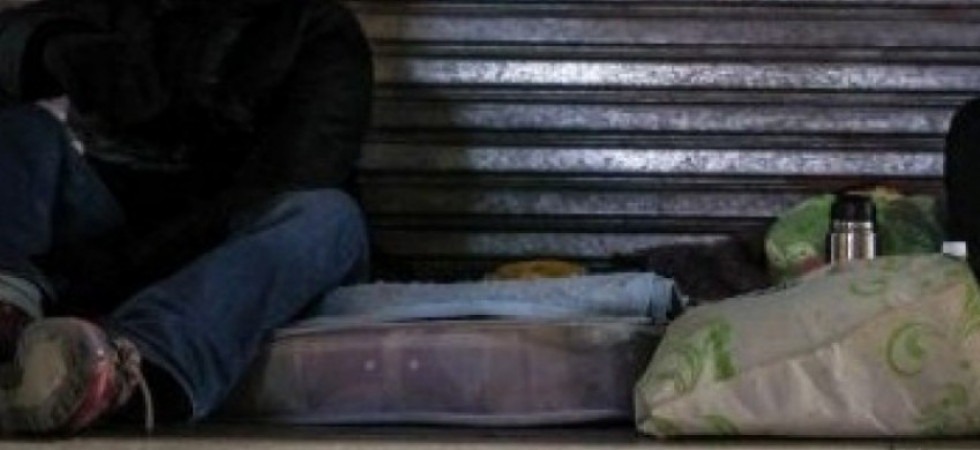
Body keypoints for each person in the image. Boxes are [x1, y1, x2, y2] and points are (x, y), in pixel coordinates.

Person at [0, 0, 373, 434]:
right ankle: (9, 314)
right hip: (110, 241)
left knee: (328, 216)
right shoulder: (122, 10)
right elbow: (13, 34)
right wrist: (49, 45)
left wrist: (119, 260)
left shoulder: (318, 27)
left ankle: (122, 371)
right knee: (23, 131)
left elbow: (292, 180)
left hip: (228, 258)